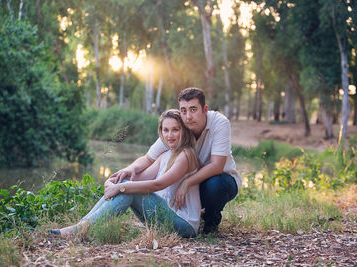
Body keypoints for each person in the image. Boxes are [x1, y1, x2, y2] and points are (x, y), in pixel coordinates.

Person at [50, 109, 201, 238]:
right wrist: (114, 181)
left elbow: (158, 184)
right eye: (165, 130)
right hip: (165, 216)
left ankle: (79, 230)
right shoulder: (165, 155)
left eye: (175, 129)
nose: (169, 135)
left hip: (184, 225)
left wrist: (122, 188)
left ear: (184, 131)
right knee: (125, 185)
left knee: (127, 189)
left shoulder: (186, 155)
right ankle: (80, 226)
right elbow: (139, 178)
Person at [112, 87, 241, 234]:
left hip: (221, 180)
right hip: (194, 185)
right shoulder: (178, 127)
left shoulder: (219, 123)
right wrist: (131, 169)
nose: (188, 116)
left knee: (215, 185)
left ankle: (211, 222)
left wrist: (187, 182)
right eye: (183, 111)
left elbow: (217, 166)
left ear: (204, 109)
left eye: (193, 110)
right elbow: (148, 158)